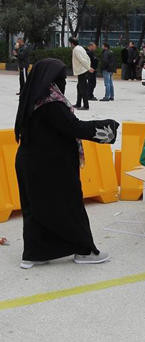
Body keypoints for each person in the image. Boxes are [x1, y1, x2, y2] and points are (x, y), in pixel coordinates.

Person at [14, 58, 119, 269]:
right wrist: (108, 128)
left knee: (37, 208)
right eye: (60, 78)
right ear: (51, 79)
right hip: (51, 166)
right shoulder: (50, 103)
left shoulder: (31, 97)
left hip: (30, 163)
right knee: (70, 206)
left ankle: (35, 253)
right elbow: (74, 127)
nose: (62, 82)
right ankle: (84, 250)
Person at [70, 37, 93, 110]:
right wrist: (88, 67)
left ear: (72, 43)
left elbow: (82, 60)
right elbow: (87, 58)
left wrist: (88, 68)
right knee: (79, 87)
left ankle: (86, 106)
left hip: (81, 71)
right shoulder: (81, 48)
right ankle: (78, 103)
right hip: (83, 70)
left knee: (83, 88)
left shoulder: (76, 50)